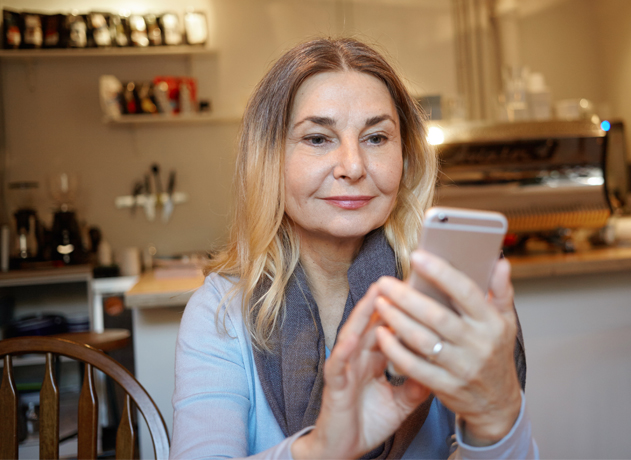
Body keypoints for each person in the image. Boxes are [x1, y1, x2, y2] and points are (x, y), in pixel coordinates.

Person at [170, 37, 537, 460]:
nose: (353, 166)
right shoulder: (221, 313)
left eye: (377, 138)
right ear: (268, 158)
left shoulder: (444, 298)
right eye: (318, 139)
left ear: (407, 156)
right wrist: (323, 450)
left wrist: (496, 422)